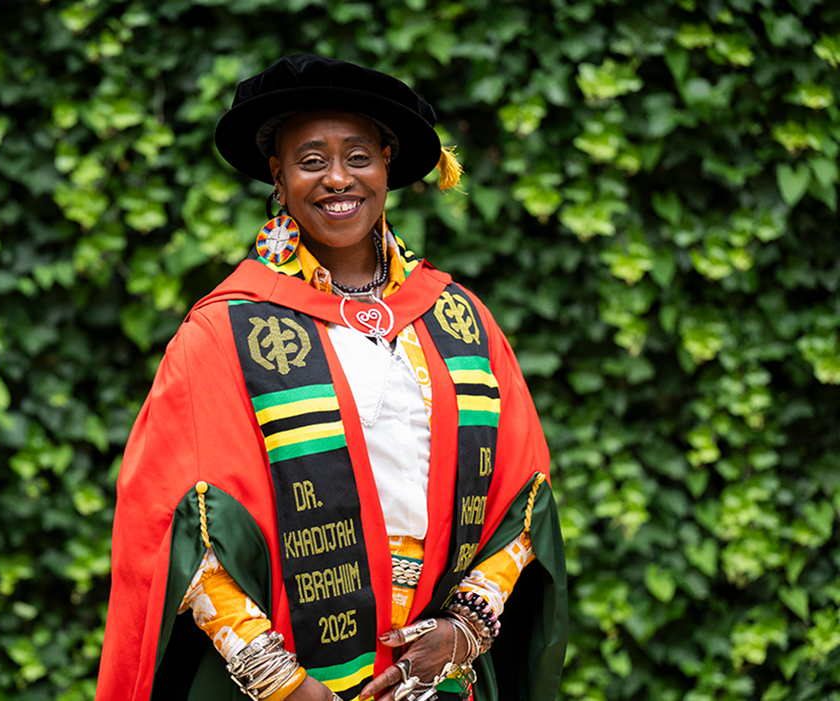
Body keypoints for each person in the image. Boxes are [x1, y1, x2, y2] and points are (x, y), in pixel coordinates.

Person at [97, 54, 567, 701]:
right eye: (311, 159)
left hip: (437, 681)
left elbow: (523, 496)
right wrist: (280, 679)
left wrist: (464, 627)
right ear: (279, 177)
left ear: (387, 163)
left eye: (357, 156)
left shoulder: (458, 318)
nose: (337, 178)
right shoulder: (227, 331)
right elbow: (182, 527)